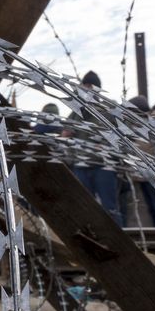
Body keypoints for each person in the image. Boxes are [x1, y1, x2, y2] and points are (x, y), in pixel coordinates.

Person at [66, 71, 123, 226]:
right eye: (85, 86)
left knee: (110, 209)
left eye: (90, 86)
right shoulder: (76, 111)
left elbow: (124, 136)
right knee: (84, 208)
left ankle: (120, 243)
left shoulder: (110, 110)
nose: (87, 89)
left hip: (104, 167)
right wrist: (70, 153)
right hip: (81, 166)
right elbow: (66, 135)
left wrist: (105, 147)